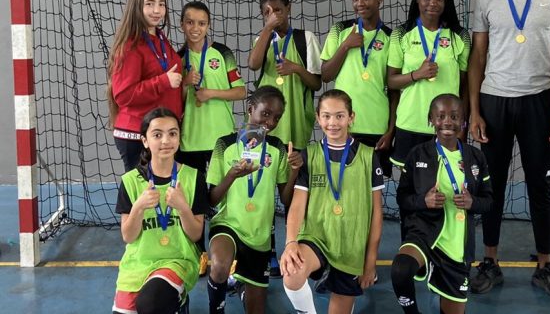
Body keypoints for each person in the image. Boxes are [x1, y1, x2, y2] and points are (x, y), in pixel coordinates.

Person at [467, 0, 550, 297]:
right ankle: (490, 261)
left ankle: (545, 265)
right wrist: (475, 111)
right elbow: (477, 57)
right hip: (495, 101)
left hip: (539, 102)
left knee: (539, 185)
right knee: (490, 186)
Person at [280, 90, 384, 314]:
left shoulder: (368, 156)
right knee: (292, 273)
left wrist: (370, 261)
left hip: (351, 245)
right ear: (318, 118)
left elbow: (376, 213)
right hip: (317, 237)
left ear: (351, 117)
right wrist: (290, 243)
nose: (333, 122)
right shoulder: (308, 155)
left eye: (339, 116)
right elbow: (297, 205)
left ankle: (334, 277)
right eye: (326, 116)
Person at [391, 94, 492, 314]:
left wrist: (472, 202)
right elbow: (402, 198)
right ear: (431, 120)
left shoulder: (475, 158)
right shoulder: (417, 154)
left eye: (454, 117)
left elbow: (489, 202)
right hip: (423, 232)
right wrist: (423, 201)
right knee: (400, 270)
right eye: (441, 116)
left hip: (456, 244)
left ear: (463, 121)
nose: (447, 122)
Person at [206, 86, 301, 314]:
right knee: (219, 267)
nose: (270, 122)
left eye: (277, 117)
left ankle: (241, 284)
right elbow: (211, 199)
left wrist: (295, 171)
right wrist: (232, 175)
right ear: (250, 109)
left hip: (260, 235)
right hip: (228, 224)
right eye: (265, 113)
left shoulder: (277, 149)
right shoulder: (224, 145)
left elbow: (286, 199)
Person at [112, 108, 207, 314]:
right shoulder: (130, 181)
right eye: (157, 134)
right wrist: (138, 207)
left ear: (179, 138)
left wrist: (182, 207)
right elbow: (128, 236)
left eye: (172, 133)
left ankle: (178, 301)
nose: (166, 141)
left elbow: (195, 234)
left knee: (151, 304)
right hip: (139, 262)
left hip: (177, 260)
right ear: (145, 141)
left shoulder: (193, 177)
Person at [387, 0, 470, 169]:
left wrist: (463, 125)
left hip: (446, 125)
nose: (433, 2)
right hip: (410, 122)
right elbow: (391, 81)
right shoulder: (402, 34)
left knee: (446, 186)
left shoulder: (460, 36)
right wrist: (417, 74)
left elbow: (464, 86)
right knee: (410, 191)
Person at [320, 0, 396, 175]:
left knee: (374, 188)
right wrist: (346, 46)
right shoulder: (341, 30)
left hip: (376, 126)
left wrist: (391, 131)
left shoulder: (391, 38)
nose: (360, 3)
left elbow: (394, 91)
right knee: (341, 183)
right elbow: (326, 75)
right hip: (343, 124)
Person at [107, 0, 183, 173]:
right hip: (137, 134)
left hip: (158, 131)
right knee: (141, 195)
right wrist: (164, 81)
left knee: (157, 193)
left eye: (161, 4)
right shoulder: (130, 45)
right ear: (137, 7)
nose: (157, 10)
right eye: (150, 4)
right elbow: (124, 95)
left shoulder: (160, 38)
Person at [247, 0, 322, 151]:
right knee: (261, 166)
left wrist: (296, 68)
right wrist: (267, 29)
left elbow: (316, 84)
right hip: (263, 122)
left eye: (277, 10)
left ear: (288, 8)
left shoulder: (306, 38)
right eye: (267, 13)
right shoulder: (262, 40)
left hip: (295, 120)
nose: (273, 15)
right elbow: (253, 64)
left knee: (292, 170)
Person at [177, 1, 246, 172]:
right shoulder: (177, 58)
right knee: (193, 195)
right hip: (190, 140)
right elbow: (175, 102)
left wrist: (211, 93)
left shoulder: (223, 53)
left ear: (208, 25)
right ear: (182, 25)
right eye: (190, 22)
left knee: (223, 193)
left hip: (221, 136)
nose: (195, 28)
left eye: (202, 23)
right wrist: (185, 83)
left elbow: (241, 92)